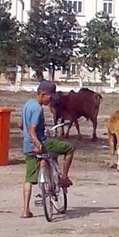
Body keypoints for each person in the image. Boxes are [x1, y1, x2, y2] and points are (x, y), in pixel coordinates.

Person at [21, 81, 75, 219]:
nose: (50, 101)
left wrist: (30, 137)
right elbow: (32, 130)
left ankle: (25, 210)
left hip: (27, 147)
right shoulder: (38, 109)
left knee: (29, 178)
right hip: (39, 143)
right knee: (69, 148)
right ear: (43, 94)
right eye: (49, 98)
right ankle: (63, 177)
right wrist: (37, 142)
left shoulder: (27, 104)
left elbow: (22, 125)